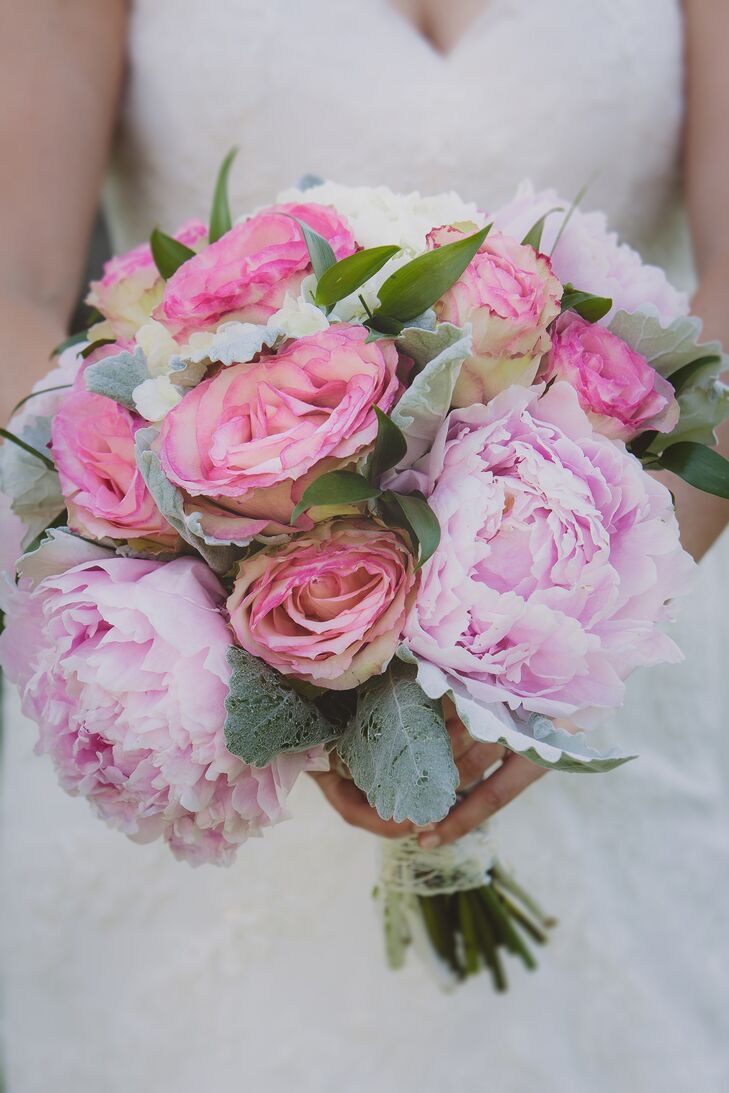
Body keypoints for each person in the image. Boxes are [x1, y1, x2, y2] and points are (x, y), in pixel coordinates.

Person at [1, 2, 727, 1090]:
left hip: (613, 620)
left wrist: (575, 618)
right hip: (195, 664)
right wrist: (235, 585)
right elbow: (17, 286)